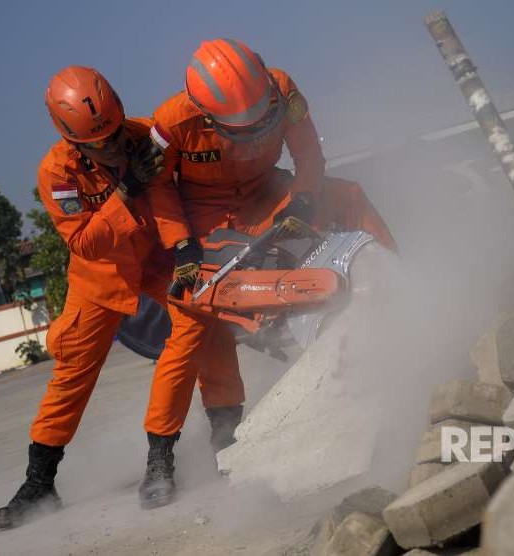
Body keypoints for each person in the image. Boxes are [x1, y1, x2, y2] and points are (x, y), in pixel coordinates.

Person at [139, 38, 397, 507]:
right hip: (208, 217)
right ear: (204, 111)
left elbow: (309, 157)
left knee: (349, 193)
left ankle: (405, 286)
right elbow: (158, 191)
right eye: (242, 122)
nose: (256, 124)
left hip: (271, 193)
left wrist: (303, 197)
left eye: (262, 112)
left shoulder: (284, 90)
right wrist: (181, 246)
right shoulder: (170, 124)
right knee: (193, 320)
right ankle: (163, 452)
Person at [0, 66, 168, 529]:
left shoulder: (145, 136)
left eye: (115, 133)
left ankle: (213, 438)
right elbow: (86, 243)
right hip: (99, 280)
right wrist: (127, 190)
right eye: (100, 142)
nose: (114, 146)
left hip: (157, 266)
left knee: (198, 338)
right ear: (72, 139)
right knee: (70, 378)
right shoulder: (56, 173)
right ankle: (39, 483)